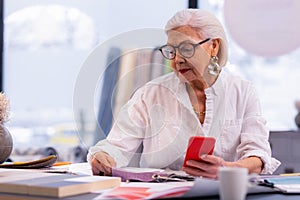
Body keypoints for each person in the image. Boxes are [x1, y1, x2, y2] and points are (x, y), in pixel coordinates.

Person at [87, 9, 280, 179]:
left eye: (187, 49)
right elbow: (116, 146)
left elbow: (257, 155)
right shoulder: (150, 94)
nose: (177, 59)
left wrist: (228, 169)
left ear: (213, 46)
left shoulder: (243, 92)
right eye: (171, 50)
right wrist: (103, 157)